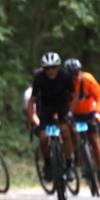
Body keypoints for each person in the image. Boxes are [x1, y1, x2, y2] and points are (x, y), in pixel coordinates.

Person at [27, 52, 78, 182]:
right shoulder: (39, 78)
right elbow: (32, 101)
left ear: (58, 67)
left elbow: (75, 96)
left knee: (65, 132)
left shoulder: (65, 76)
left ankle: (69, 164)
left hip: (62, 106)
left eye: (53, 67)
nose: (50, 71)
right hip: (46, 108)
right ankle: (48, 165)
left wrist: (70, 113)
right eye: (47, 68)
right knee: (43, 138)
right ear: (43, 69)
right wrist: (31, 118)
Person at [64, 58, 100, 188]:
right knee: (70, 130)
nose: (74, 78)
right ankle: (76, 153)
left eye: (76, 74)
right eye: (70, 76)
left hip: (90, 113)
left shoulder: (88, 79)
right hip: (73, 114)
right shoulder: (64, 83)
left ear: (80, 72)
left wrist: (98, 112)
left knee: (94, 140)